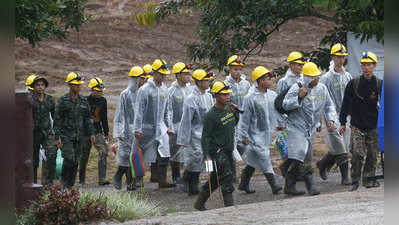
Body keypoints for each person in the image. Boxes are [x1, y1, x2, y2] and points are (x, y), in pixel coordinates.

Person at [282, 62, 337, 196]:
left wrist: (331, 119)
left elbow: (329, 106)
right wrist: (299, 97)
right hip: (296, 127)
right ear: (307, 78)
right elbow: (285, 105)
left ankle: (289, 184)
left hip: (310, 129)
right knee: (302, 153)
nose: (317, 80)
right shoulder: (297, 88)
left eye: (317, 77)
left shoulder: (322, 89)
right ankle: (310, 185)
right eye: (314, 78)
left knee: (302, 156)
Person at [339, 51, 383, 191]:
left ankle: (369, 179)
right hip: (357, 125)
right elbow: (345, 104)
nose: (366, 68)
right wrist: (342, 122)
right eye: (364, 65)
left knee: (372, 154)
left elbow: (387, 105)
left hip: (373, 125)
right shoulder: (353, 84)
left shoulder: (379, 84)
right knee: (357, 153)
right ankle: (355, 180)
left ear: (374, 66)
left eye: (369, 65)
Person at [194, 81, 239, 210]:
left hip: (229, 150)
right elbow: (205, 137)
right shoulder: (211, 115)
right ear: (217, 96)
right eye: (224, 95)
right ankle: (229, 208)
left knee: (215, 179)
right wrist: (207, 155)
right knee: (227, 178)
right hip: (218, 152)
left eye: (228, 94)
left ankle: (199, 203)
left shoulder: (228, 110)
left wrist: (235, 113)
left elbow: (233, 123)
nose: (227, 97)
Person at [237, 66, 283, 194]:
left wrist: (281, 124)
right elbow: (244, 120)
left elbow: (277, 112)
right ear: (260, 81)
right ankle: (274, 185)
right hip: (254, 134)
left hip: (267, 133)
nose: (271, 81)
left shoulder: (272, 95)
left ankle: (243, 183)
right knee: (264, 156)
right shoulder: (250, 98)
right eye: (268, 79)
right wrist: (243, 137)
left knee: (253, 159)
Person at [133, 59, 176, 188]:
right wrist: (137, 128)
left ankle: (161, 180)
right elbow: (139, 110)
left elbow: (168, 109)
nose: (163, 76)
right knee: (143, 153)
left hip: (160, 126)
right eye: (161, 74)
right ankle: (137, 180)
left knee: (164, 152)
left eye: (164, 74)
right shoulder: (145, 89)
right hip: (146, 127)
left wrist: (169, 126)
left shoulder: (164, 89)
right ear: (154, 73)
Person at [317, 43, 352, 185]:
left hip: (346, 116)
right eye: (338, 56)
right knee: (340, 145)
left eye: (343, 57)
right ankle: (345, 177)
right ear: (332, 57)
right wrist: (322, 120)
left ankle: (323, 163)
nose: (341, 59)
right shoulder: (326, 78)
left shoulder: (348, 76)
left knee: (343, 145)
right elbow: (322, 100)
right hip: (332, 116)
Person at [54, 72, 95, 188]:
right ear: (69, 85)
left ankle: (70, 186)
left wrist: (91, 133)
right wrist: (56, 137)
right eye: (76, 85)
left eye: (79, 85)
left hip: (79, 136)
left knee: (76, 160)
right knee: (69, 158)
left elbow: (88, 118)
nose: (78, 87)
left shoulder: (83, 101)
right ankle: (63, 183)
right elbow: (57, 120)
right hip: (66, 136)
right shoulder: (62, 101)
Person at [177, 69, 215, 195]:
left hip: (207, 133)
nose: (208, 82)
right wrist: (184, 139)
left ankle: (187, 180)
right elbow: (186, 120)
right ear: (198, 82)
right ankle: (193, 184)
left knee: (205, 158)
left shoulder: (209, 96)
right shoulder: (191, 99)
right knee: (196, 157)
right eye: (205, 80)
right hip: (194, 134)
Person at [113, 66, 144, 190]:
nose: (143, 81)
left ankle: (131, 182)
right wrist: (119, 131)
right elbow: (120, 113)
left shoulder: (142, 93)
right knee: (125, 156)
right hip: (126, 130)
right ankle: (118, 176)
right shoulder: (125, 94)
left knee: (133, 156)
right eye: (141, 78)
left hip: (137, 131)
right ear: (135, 79)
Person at [276, 51, 306, 177]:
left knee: (301, 147)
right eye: (298, 64)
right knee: (293, 147)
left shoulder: (304, 78)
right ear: (291, 65)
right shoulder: (284, 81)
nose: (300, 67)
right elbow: (279, 103)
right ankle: (289, 171)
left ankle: (295, 172)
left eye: (301, 65)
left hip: (302, 118)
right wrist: (281, 122)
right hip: (289, 119)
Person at [79, 77, 110, 186]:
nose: (100, 93)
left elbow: (104, 118)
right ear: (91, 90)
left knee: (103, 152)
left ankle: (102, 179)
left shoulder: (103, 101)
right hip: (85, 132)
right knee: (84, 156)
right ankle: (81, 180)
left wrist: (106, 133)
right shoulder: (84, 101)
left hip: (98, 131)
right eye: (97, 91)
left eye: (101, 91)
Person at [167, 62, 193, 184]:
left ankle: (188, 176)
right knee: (175, 151)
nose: (188, 76)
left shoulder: (191, 90)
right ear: (177, 75)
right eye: (185, 74)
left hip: (189, 126)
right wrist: (170, 126)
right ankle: (176, 176)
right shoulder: (171, 91)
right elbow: (168, 110)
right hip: (176, 126)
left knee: (190, 151)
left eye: (188, 73)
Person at [30, 75, 57, 185]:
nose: (40, 87)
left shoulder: (49, 99)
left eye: (42, 85)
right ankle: (33, 183)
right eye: (38, 85)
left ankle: (48, 183)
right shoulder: (29, 99)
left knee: (51, 155)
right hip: (33, 133)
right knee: (33, 160)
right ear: (34, 87)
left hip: (47, 132)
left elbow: (55, 116)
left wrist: (57, 133)